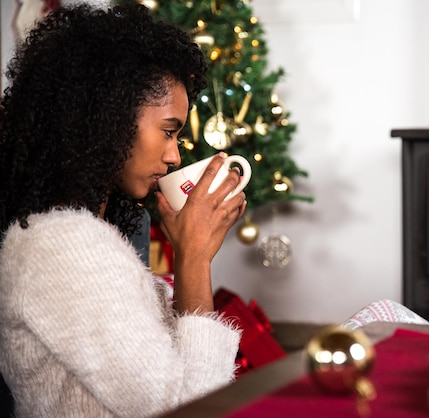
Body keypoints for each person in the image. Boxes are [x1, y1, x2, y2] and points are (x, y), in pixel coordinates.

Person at [0, 3, 247, 417]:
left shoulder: (87, 233)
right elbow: (189, 409)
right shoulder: (62, 246)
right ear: (107, 117)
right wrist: (194, 259)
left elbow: (176, 372)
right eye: (169, 132)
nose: (173, 157)